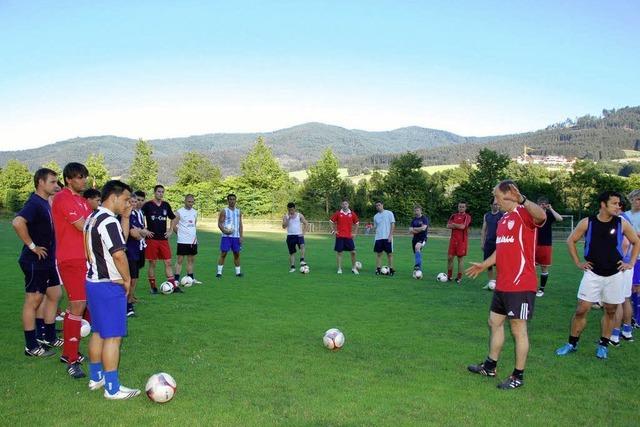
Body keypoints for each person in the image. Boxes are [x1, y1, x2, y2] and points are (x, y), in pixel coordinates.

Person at [466, 180, 546, 389]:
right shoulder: (503, 219)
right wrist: (484, 265)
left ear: (509, 194)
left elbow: (542, 216)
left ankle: (517, 376)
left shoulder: (524, 213)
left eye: (496, 196)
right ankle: (490, 366)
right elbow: (501, 249)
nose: (494, 200)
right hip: (503, 284)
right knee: (494, 322)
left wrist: (523, 200)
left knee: (518, 329)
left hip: (521, 283)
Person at [556, 191, 640, 360]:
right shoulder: (588, 222)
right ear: (603, 204)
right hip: (592, 274)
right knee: (582, 309)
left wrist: (630, 263)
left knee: (610, 310)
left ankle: (603, 345)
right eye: (615, 203)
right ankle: (572, 343)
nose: (619, 206)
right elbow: (570, 240)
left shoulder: (621, 223)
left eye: (619, 204)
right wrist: (578, 262)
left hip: (615, 274)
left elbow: (636, 241)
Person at [84, 180, 141, 399]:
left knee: (98, 331)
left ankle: (96, 377)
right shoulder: (108, 221)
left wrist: (125, 217)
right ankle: (112, 388)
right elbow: (118, 254)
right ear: (114, 197)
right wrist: (126, 280)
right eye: (126, 199)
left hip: (93, 283)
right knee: (113, 337)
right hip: (109, 285)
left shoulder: (92, 217)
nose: (128, 203)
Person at [12, 168, 62, 357]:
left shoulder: (44, 202)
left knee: (55, 294)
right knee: (33, 301)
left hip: (47, 260)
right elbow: (17, 222)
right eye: (52, 182)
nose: (56, 185)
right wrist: (33, 246)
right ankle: (31, 346)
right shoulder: (34, 202)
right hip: (35, 261)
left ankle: (48, 336)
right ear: (40, 182)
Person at [52, 162, 93, 378]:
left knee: (78, 305)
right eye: (79, 177)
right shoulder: (63, 198)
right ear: (69, 179)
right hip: (70, 259)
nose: (83, 180)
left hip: (84, 258)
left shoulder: (82, 200)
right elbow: (83, 225)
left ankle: (68, 351)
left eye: (85, 176)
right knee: (78, 305)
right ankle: (71, 358)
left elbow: (88, 223)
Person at [141, 185, 181, 293]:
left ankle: (174, 286)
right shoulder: (148, 205)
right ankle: (153, 287)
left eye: (162, 192)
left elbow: (173, 218)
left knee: (168, 262)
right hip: (152, 239)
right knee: (152, 263)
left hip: (163, 239)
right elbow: (139, 216)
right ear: (154, 192)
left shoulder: (166, 205)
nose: (161, 193)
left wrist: (170, 230)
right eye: (159, 191)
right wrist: (144, 229)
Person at [609, 203, 634, 345]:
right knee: (625, 299)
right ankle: (627, 332)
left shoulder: (620, 220)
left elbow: (625, 243)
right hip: (628, 266)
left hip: (621, 266)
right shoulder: (626, 219)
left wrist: (620, 260)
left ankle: (614, 336)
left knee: (616, 300)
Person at [124, 192, 150, 317]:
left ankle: (129, 301)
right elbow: (134, 233)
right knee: (130, 279)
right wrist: (141, 233)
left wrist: (141, 232)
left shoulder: (137, 214)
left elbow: (140, 230)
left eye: (136, 201)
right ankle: (127, 306)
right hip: (129, 251)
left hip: (137, 249)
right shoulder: (126, 216)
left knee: (134, 278)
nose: (135, 204)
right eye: (133, 201)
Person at [535, 196, 563, 297]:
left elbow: (560, 219)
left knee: (544, 267)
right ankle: (532, 287)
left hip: (545, 244)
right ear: (537, 204)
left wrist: (551, 208)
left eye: (544, 204)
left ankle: (541, 289)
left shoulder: (549, 214)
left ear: (547, 205)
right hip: (533, 244)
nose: (542, 205)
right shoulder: (533, 214)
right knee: (531, 267)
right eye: (540, 203)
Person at [174, 194, 202, 284]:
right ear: (185, 201)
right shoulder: (179, 212)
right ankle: (176, 280)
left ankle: (191, 278)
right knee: (180, 260)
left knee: (191, 260)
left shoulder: (195, 212)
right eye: (189, 201)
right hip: (182, 240)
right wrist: (180, 235)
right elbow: (174, 225)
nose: (191, 203)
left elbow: (194, 224)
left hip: (193, 240)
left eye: (192, 202)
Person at [217, 193, 244, 278]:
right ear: (228, 200)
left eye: (233, 199)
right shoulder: (224, 211)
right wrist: (224, 231)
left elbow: (240, 224)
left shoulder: (238, 211)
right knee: (223, 253)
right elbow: (220, 223)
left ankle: (238, 273)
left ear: (236, 200)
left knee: (237, 254)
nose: (232, 201)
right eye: (230, 199)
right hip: (226, 237)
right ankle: (219, 273)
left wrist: (241, 236)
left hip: (236, 237)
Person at [330, 200, 360, 274]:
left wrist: (355, 233)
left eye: (346, 204)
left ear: (348, 205)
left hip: (349, 237)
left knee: (353, 252)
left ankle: (354, 268)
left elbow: (357, 223)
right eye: (343, 204)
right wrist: (333, 231)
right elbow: (330, 221)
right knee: (339, 253)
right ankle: (339, 269)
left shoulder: (352, 214)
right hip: (339, 236)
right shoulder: (338, 213)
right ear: (341, 205)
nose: (345, 205)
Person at [624, 189, 640, 328]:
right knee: (627, 288)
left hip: (638, 257)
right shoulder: (625, 215)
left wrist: (632, 234)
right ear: (631, 199)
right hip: (626, 257)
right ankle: (630, 317)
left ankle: (637, 318)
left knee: (637, 287)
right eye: (638, 199)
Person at [480, 200, 503, 290]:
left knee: (499, 265)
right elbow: (484, 230)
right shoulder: (487, 215)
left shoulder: (502, 215)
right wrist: (482, 242)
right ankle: (490, 282)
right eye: (494, 204)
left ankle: (498, 284)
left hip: (499, 243)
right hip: (488, 243)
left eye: (497, 204)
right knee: (488, 264)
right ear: (491, 205)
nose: (496, 206)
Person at [447, 201, 472, 283]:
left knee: (460, 259)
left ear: (465, 208)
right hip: (453, 240)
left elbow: (463, 227)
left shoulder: (467, 217)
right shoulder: (453, 215)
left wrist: (454, 224)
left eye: (462, 207)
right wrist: (457, 225)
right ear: (458, 207)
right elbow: (448, 225)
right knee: (450, 258)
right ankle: (449, 276)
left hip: (462, 241)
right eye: (459, 206)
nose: (461, 208)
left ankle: (459, 277)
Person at [282, 202, 309, 272]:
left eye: (292, 210)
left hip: (299, 235)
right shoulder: (285, 216)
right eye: (289, 210)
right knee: (292, 253)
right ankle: (292, 267)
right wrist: (289, 219)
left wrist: (303, 233)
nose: (290, 211)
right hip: (290, 236)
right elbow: (284, 226)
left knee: (302, 245)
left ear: (294, 208)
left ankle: (302, 259)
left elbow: (306, 223)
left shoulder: (299, 215)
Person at [373, 201, 396, 276]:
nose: (378, 207)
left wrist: (390, 235)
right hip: (378, 238)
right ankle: (378, 269)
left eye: (379, 205)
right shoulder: (375, 216)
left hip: (387, 237)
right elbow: (375, 227)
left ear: (382, 205)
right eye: (376, 206)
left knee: (389, 254)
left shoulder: (389, 213)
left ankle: (391, 269)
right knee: (379, 254)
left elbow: (392, 224)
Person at [410, 205, 429, 272]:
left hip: (422, 238)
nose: (416, 212)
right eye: (415, 210)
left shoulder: (424, 218)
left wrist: (415, 229)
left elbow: (424, 228)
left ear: (421, 211)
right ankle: (418, 270)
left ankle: (417, 265)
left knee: (417, 247)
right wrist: (419, 229)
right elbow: (410, 230)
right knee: (416, 253)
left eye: (417, 210)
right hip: (415, 238)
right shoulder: (413, 220)